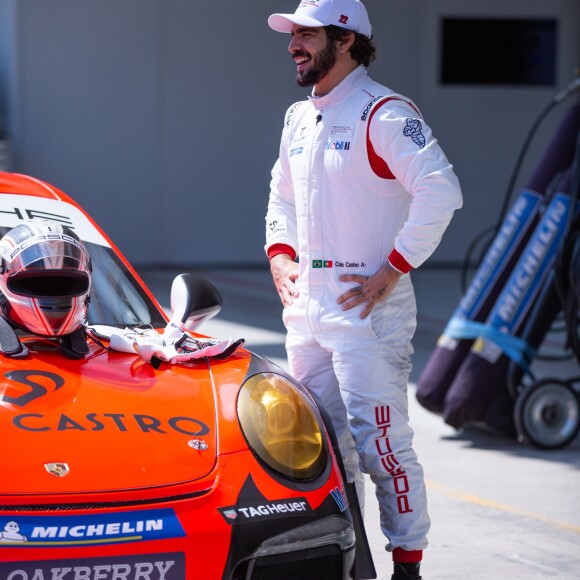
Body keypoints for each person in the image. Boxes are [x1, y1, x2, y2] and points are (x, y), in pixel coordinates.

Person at [264, 1, 462, 578]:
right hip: (309, 313)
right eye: (292, 34)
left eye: (306, 34)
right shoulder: (299, 117)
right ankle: (350, 562)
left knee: (383, 448)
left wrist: (392, 268)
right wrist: (280, 257)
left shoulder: (385, 113)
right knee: (314, 453)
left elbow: (440, 190)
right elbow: (281, 198)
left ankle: (408, 566)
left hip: (370, 315)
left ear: (345, 40)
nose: (294, 44)